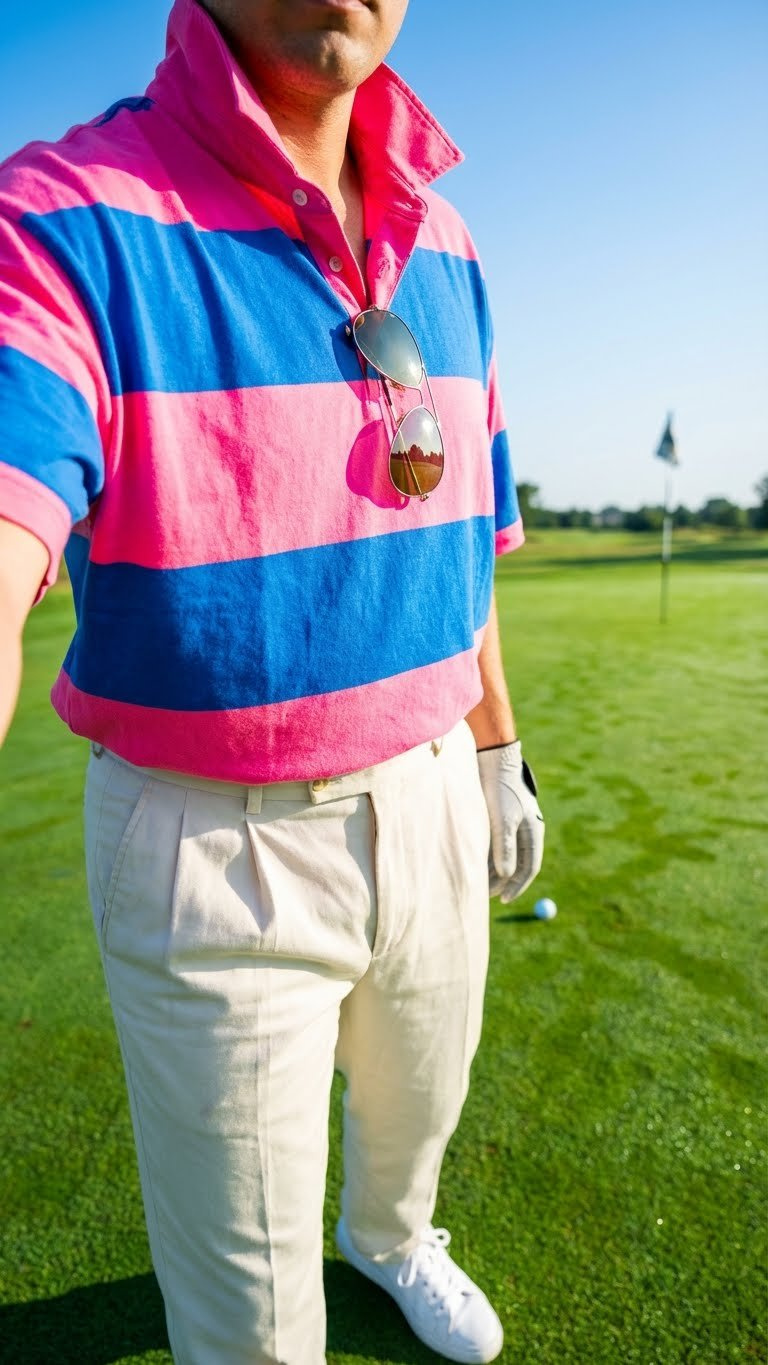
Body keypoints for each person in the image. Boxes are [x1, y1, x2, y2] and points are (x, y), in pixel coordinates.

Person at [0, 0, 545, 1360]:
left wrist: (496, 754)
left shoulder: (455, 239)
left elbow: (464, 547)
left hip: (432, 795)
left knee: (418, 1111)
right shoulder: (57, 216)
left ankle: (395, 1235)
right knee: (249, 1323)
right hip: (212, 846)